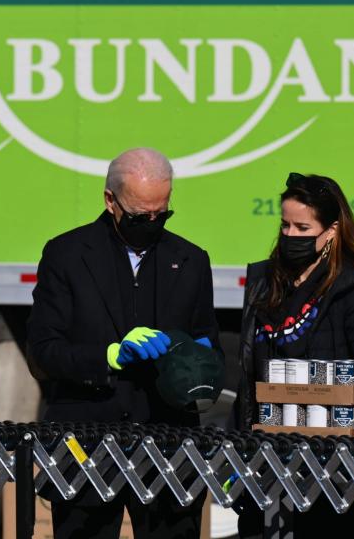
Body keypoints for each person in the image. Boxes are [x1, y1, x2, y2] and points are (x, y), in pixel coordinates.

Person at [26, 148, 218, 539]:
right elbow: (44, 351)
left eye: (161, 214)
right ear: (110, 200)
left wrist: (190, 356)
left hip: (168, 442)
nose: (151, 223)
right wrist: (109, 357)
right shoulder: (66, 254)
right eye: (138, 216)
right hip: (85, 439)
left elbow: (209, 347)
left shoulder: (191, 260)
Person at [235, 173, 354, 537]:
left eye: (302, 227)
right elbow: (248, 371)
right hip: (267, 454)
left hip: (333, 464)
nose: (290, 235)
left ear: (332, 230)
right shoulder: (264, 281)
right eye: (285, 224)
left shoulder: (352, 287)